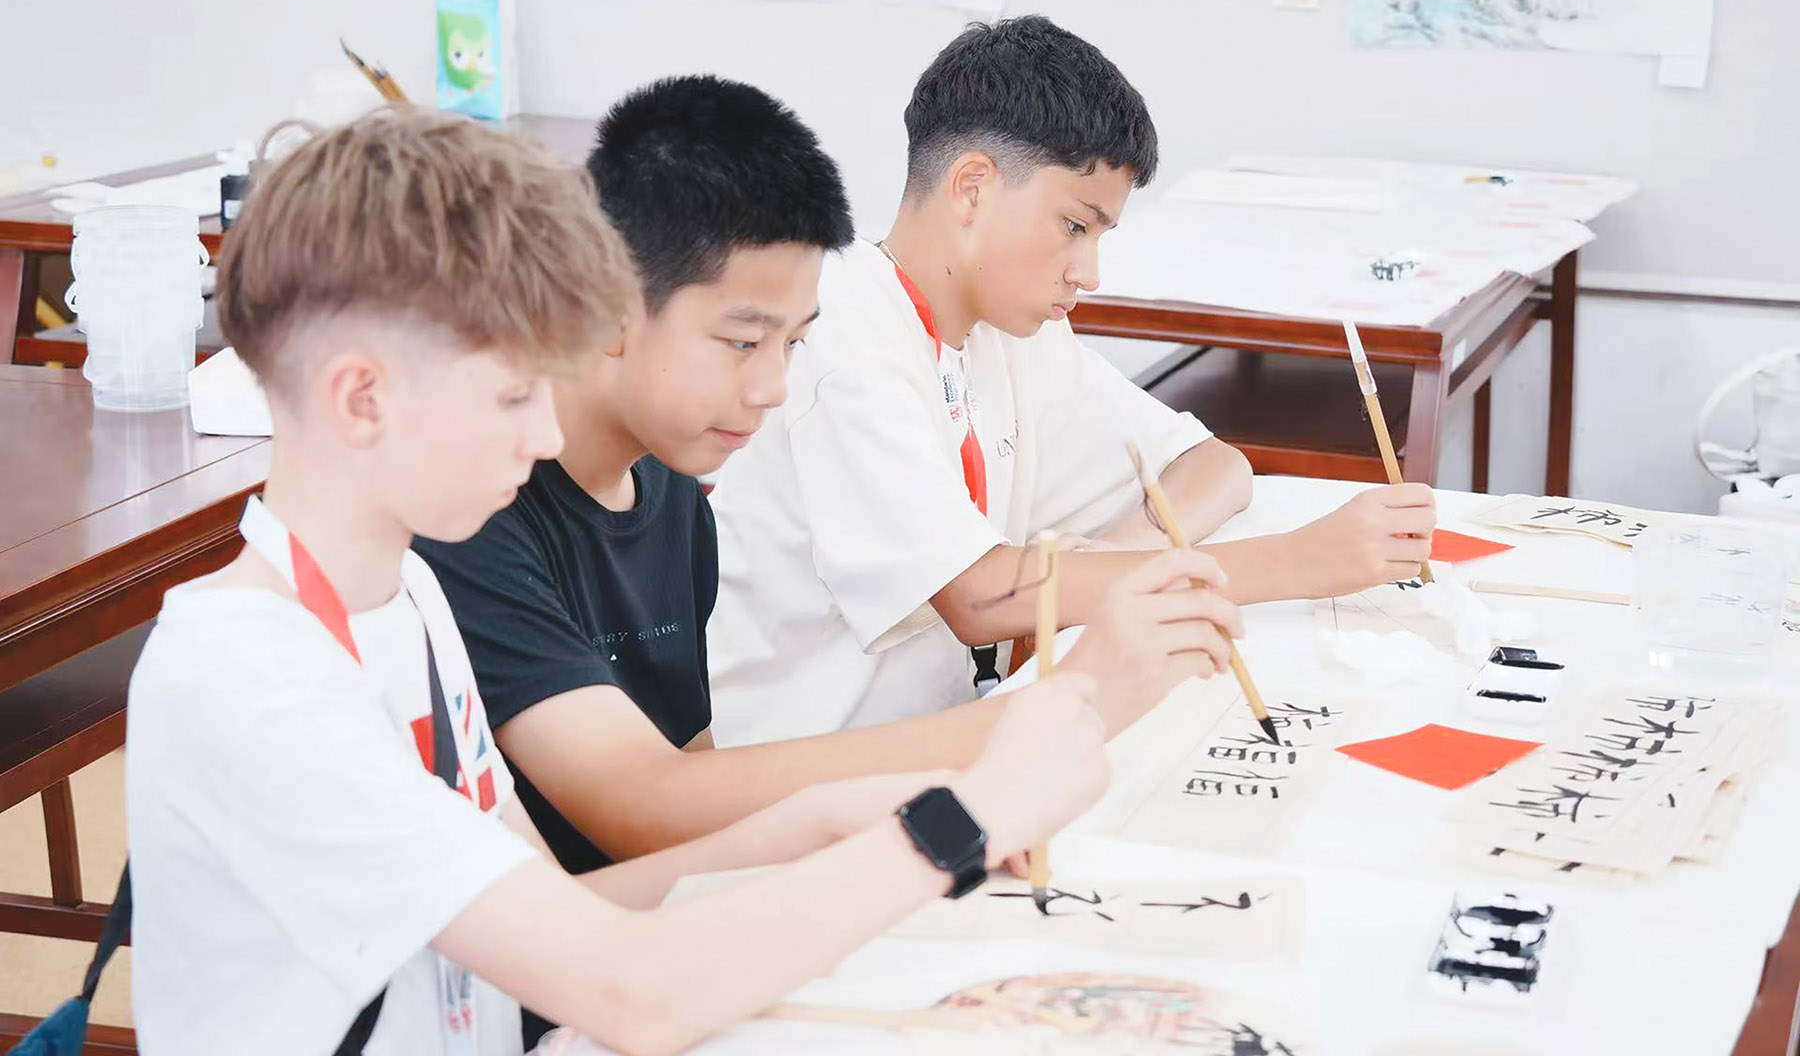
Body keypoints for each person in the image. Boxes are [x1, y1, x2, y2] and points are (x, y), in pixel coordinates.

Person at [124, 107, 1116, 1056]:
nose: (545, 435)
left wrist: (818, 823)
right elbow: (632, 990)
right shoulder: (251, 678)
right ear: (362, 397)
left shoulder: (404, 597)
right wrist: (961, 825)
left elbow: (562, 908)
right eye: (514, 395)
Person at [706, 16, 1436, 745]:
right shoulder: (839, 327)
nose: (1089, 274)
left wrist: (1123, 555)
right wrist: (1294, 562)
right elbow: (980, 597)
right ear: (972, 189)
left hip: (952, 735)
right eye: (1075, 226)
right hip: (806, 765)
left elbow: (1214, 466)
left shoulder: (1010, 328)